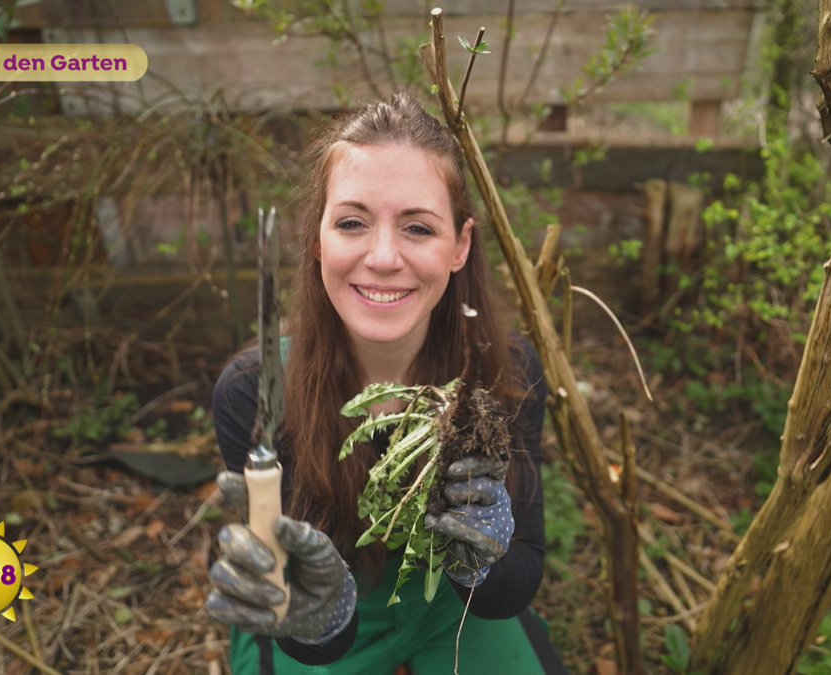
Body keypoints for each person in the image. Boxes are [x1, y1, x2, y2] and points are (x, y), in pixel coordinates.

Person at [206, 93, 566, 675]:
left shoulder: (504, 372)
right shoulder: (252, 391)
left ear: (460, 246)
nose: (382, 256)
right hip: (332, 620)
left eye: (418, 227)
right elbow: (305, 628)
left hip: (454, 610)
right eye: (352, 222)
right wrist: (313, 611)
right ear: (318, 237)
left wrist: (482, 560)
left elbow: (513, 584)